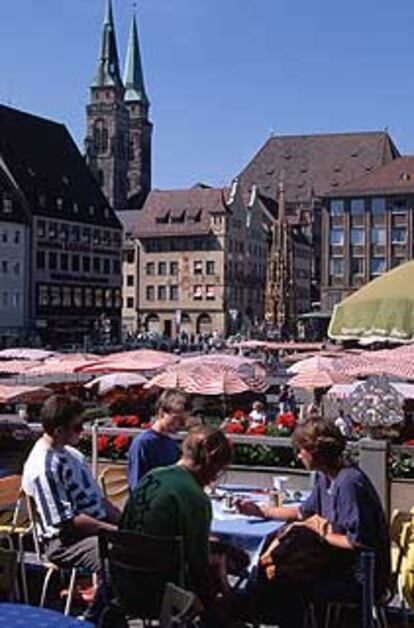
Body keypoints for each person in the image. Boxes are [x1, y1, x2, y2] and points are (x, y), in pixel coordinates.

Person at [236, 416, 390, 626]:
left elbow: (359, 541)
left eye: (301, 450)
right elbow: (303, 512)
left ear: (316, 452)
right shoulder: (326, 477)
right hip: (338, 563)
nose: (299, 456)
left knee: (284, 579)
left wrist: (321, 533)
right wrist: (260, 511)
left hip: (360, 576)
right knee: (278, 567)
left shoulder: (349, 483)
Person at [22, 394, 121, 621]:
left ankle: (110, 616)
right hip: (65, 540)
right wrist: (113, 530)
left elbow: (97, 499)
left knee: (139, 548)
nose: (83, 431)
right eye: (77, 427)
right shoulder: (43, 466)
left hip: (92, 528)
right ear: (58, 431)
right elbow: (67, 523)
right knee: (117, 558)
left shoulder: (72, 454)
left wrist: (125, 521)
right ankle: (93, 618)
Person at [121, 426, 233, 604]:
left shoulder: (151, 477)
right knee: (220, 564)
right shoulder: (196, 498)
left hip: (124, 580)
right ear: (209, 461)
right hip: (165, 591)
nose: (213, 479)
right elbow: (199, 567)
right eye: (218, 471)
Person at [127, 389, 191, 492]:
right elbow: (137, 487)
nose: (182, 424)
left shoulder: (172, 444)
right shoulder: (143, 443)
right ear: (161, 413)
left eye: (185, 420)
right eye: (177, 419)